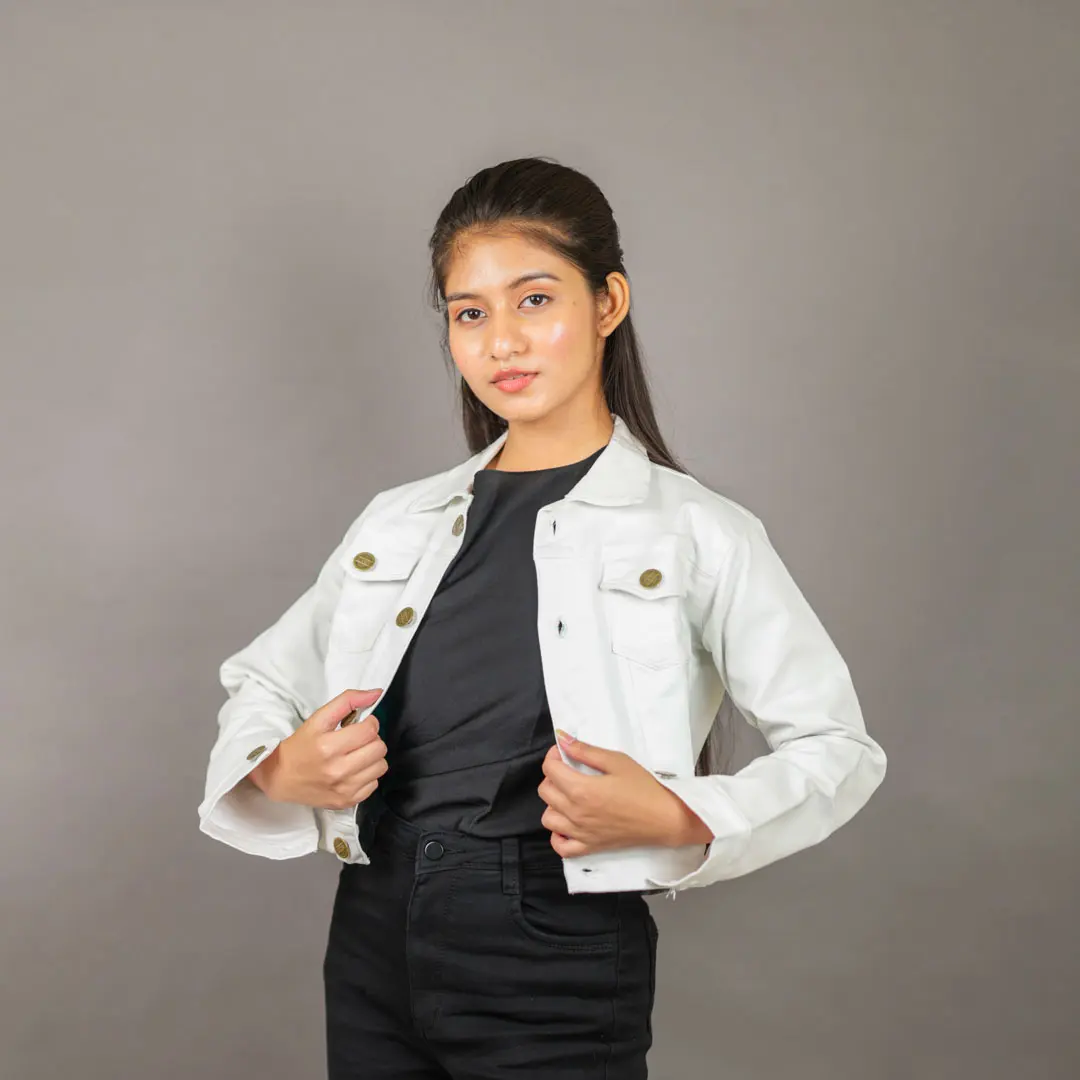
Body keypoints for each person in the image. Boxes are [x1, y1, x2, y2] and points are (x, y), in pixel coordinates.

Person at [198, 156, 887, 1079]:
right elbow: (261, 679)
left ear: (608, 303)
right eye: (469, 313)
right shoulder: (398, 521)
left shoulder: (696, 532)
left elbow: (838, 749)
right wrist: (279, 766)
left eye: (534, 300)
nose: (502, 343)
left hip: (554, 947)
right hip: (371, 934)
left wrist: (680, 812)